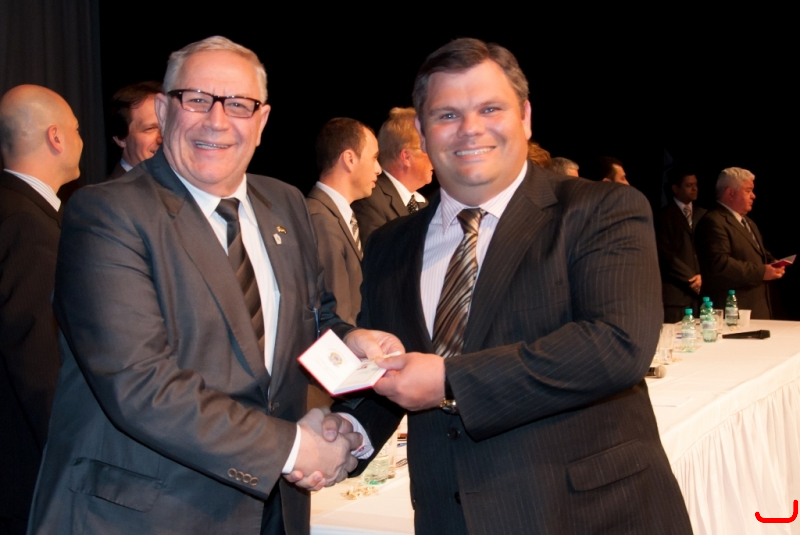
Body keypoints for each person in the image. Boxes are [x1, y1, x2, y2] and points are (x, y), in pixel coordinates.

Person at [26, 36, 400, 535]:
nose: (217, 121)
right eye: (197, 100)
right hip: (146, 516)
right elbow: (140, 384)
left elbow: (312, 320)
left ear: (262, 121)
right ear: (164, 110)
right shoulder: (107, 214)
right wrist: (293, 447)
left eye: (239, 105)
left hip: (273, 514)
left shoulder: (286, 204)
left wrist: (353, 344)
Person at [336, 38, 692, 535]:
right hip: (450, 518)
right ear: (421, 134)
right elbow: (389, 367)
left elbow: (617, 346)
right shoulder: (388, 245)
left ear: (524, 117)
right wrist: (346, 432)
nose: (470, 128)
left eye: (490, 109)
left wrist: (452, 380)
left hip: (589, 516)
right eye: (447, 115)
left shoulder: (601, 210)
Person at [0, 84, 82, 535]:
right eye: (77, 129)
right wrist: (72, 460)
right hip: (26, 472)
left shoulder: (14, 210)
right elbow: (38, 362)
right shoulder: (29, 227)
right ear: (56, 137)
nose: (81, 139)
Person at [307, 117, 380, 325]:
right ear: (349, 159)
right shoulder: (321, 220)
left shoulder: (335, 216)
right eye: (374, 158)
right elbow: (334, 314)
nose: (378, 169)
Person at [695, 167, 783, 319]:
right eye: (748, 191)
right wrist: (761, 272)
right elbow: (720, 264)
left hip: (755, 309)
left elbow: (758, 253)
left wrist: (772, 262)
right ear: (730, 193)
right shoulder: (713, 221)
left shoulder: (748, 222)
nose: (753, 196)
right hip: (731, 313)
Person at [352, 107, 433, 244]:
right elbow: (378, 254)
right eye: (428, 149)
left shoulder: (424, 205)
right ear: (406, 157)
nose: (435, 157)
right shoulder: (370, 199)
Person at [657, 169, 707, 322]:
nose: (694, 189)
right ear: (676, 188)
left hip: (702, 294)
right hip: (676, 294)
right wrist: (691, 278)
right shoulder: (663, 216)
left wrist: (703, 276)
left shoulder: (704, 214)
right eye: (689, 185)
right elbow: (665, 255)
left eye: (696, 185)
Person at [107, 81, 163, 179]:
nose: (162, 138)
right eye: (150, 129)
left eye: (167, 126)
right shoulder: (111, 189)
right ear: (120, 139)